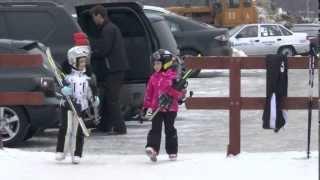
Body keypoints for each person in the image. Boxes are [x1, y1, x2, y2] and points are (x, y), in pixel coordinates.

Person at [55, 46, 99, 164]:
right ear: (73, 61)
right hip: (68, 106)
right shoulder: (67, 78)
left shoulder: (88, 78)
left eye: (85, 61)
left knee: (78, 131)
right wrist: (63, 90)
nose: (84, 63)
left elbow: (91, 91)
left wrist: (94, 99)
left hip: (81, 107)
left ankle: (76, 153)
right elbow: (57, 89)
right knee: (66, 128)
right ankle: (61, 151)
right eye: (81, 61)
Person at [89, 5, 129, 134]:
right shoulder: (110, 28)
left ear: (99, 16)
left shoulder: (108, 30)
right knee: (106, 98)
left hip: (114, 69)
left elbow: (104, 50)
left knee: (112, 99)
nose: (93, 20)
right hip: (114, 69)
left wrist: (91, 53)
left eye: (94, 17)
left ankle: (120, 128)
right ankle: (104, 126)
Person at [142, 49, 185, 162]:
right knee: (155, 129)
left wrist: (172, 92)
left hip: (170, 109)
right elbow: (149, 94)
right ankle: (152, 148)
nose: (155, 66)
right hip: (156, 108)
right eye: (154, 64)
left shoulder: (174, 78)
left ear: (166, 64)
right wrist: (146, 107)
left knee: (169, 129)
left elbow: (180, 95)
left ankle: (172, 151)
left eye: (158, 64)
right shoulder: (153, 78)